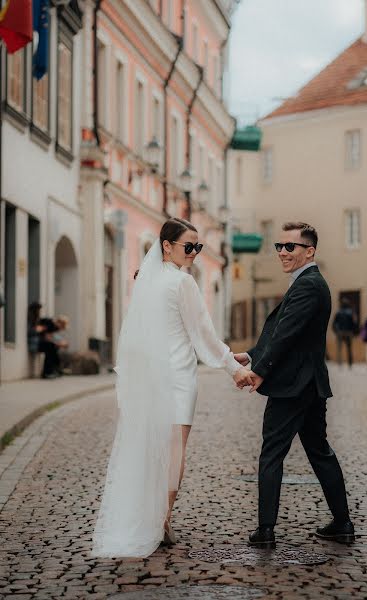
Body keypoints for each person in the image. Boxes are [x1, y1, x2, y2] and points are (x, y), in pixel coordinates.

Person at [92, 217, 253, 558]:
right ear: (167, 246)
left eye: (198, 247)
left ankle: (151, 517)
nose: (194, 252)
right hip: (178, 378)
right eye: (188, 246)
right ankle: (160, 521)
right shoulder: (183, 283)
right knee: (174, 454)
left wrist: (228, 357)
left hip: (151, 376)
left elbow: (135, 334)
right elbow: (202, 332)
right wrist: (232, 369)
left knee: (152, 449)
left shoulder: (146, 281)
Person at [234, 221, 354, 548]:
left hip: (294, 385)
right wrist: (251, 354)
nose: (283, 252)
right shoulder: (306, 282)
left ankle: (266, 530)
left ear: (309, 250)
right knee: (319, 451)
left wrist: (260, 370)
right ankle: (342, 523)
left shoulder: (309, 285)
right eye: (279, 246)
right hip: (308, 383)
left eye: (291, 247)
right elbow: (285, 332)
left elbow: (286, 334)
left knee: (272, 454)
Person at [332, 298, 356, 368]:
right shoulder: (350, 312)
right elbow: (353, 323)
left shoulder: (338, 312)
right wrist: (353, 332)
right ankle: (350, 363)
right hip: (348, 332)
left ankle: (340, 363)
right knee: (349, 348)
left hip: (340, 332)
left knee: (339, 348)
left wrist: (336, 331)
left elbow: (334, 323)